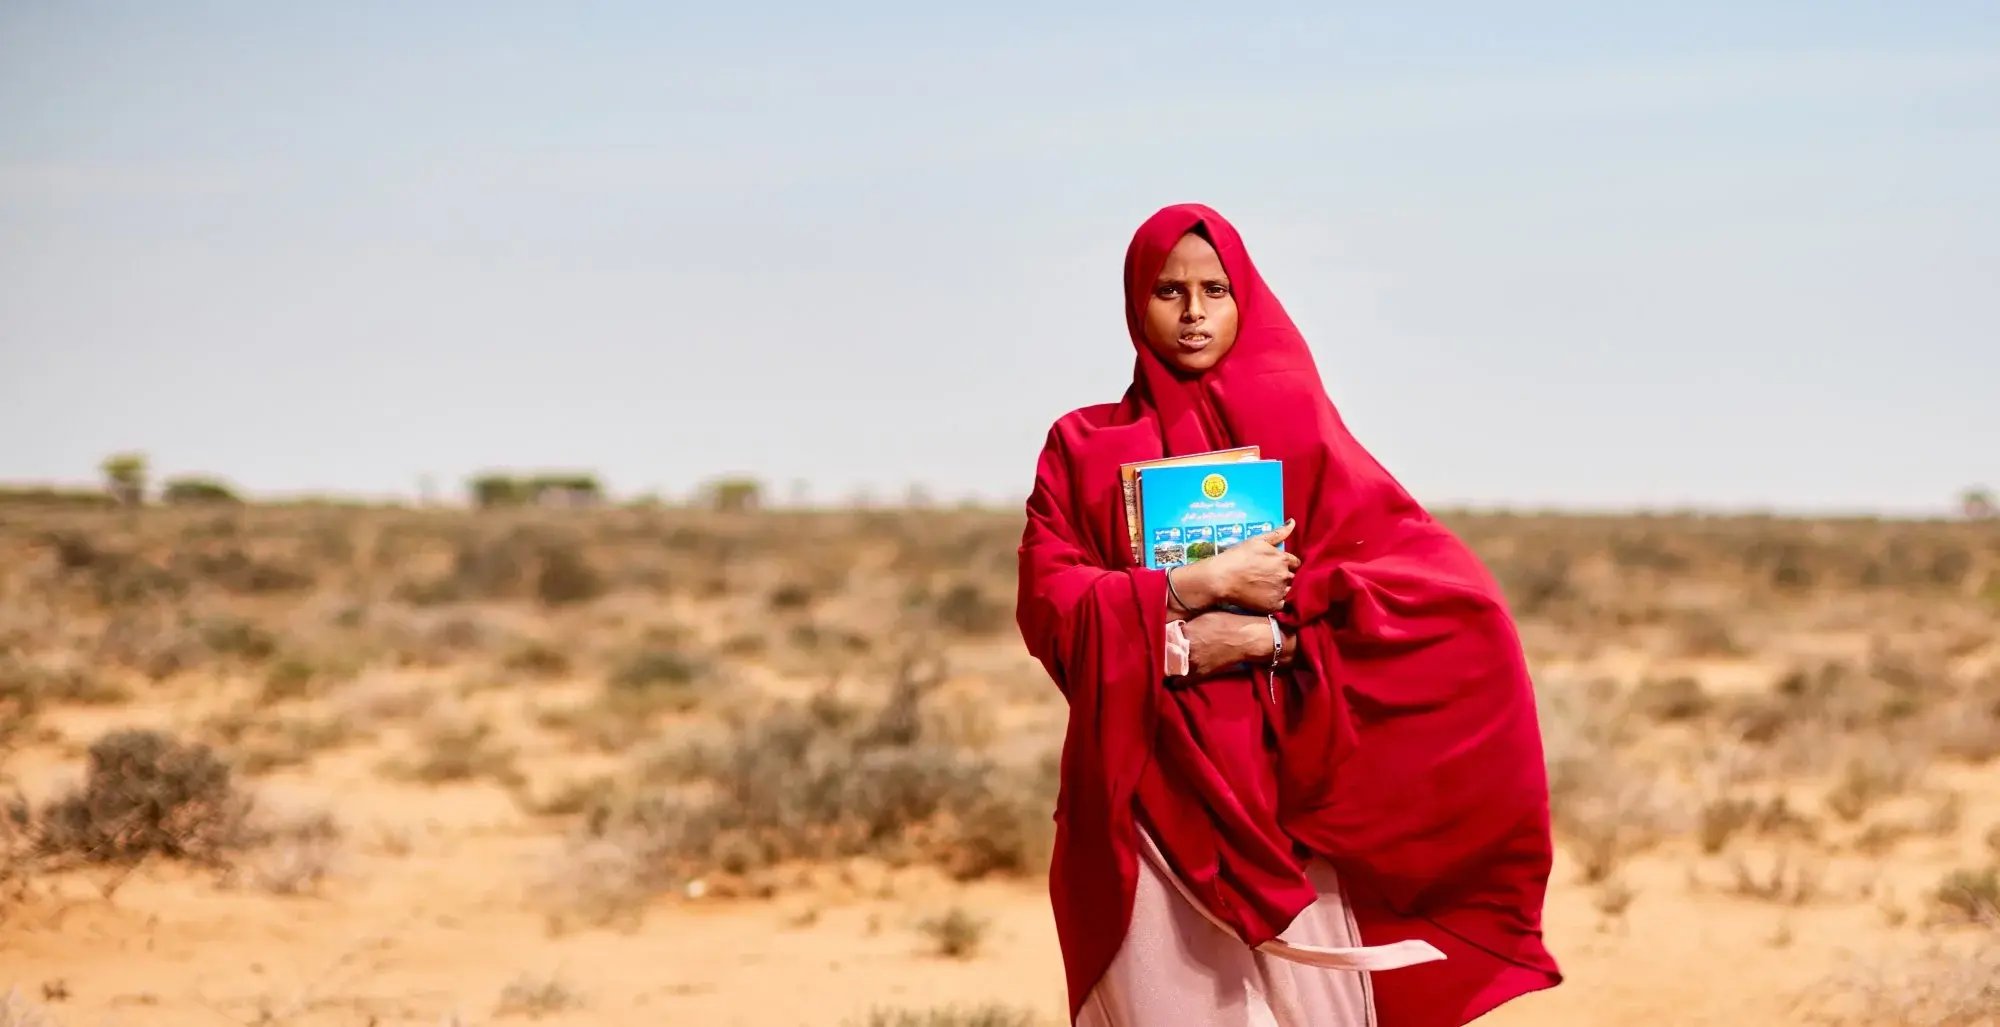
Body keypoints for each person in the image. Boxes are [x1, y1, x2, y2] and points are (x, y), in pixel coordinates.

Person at [1015, 204, 1563, 1026]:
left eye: (1215, 289)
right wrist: (1188, 597)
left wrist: (1271, 635)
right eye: (1169, 290)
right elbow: (1050, 605)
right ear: (1137, 300)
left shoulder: (1303, 438)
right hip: (1143, 790)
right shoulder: (1083, 448)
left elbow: (1439, 600)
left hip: (1283, 796)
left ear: (1247, 300)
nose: (1193, 312)